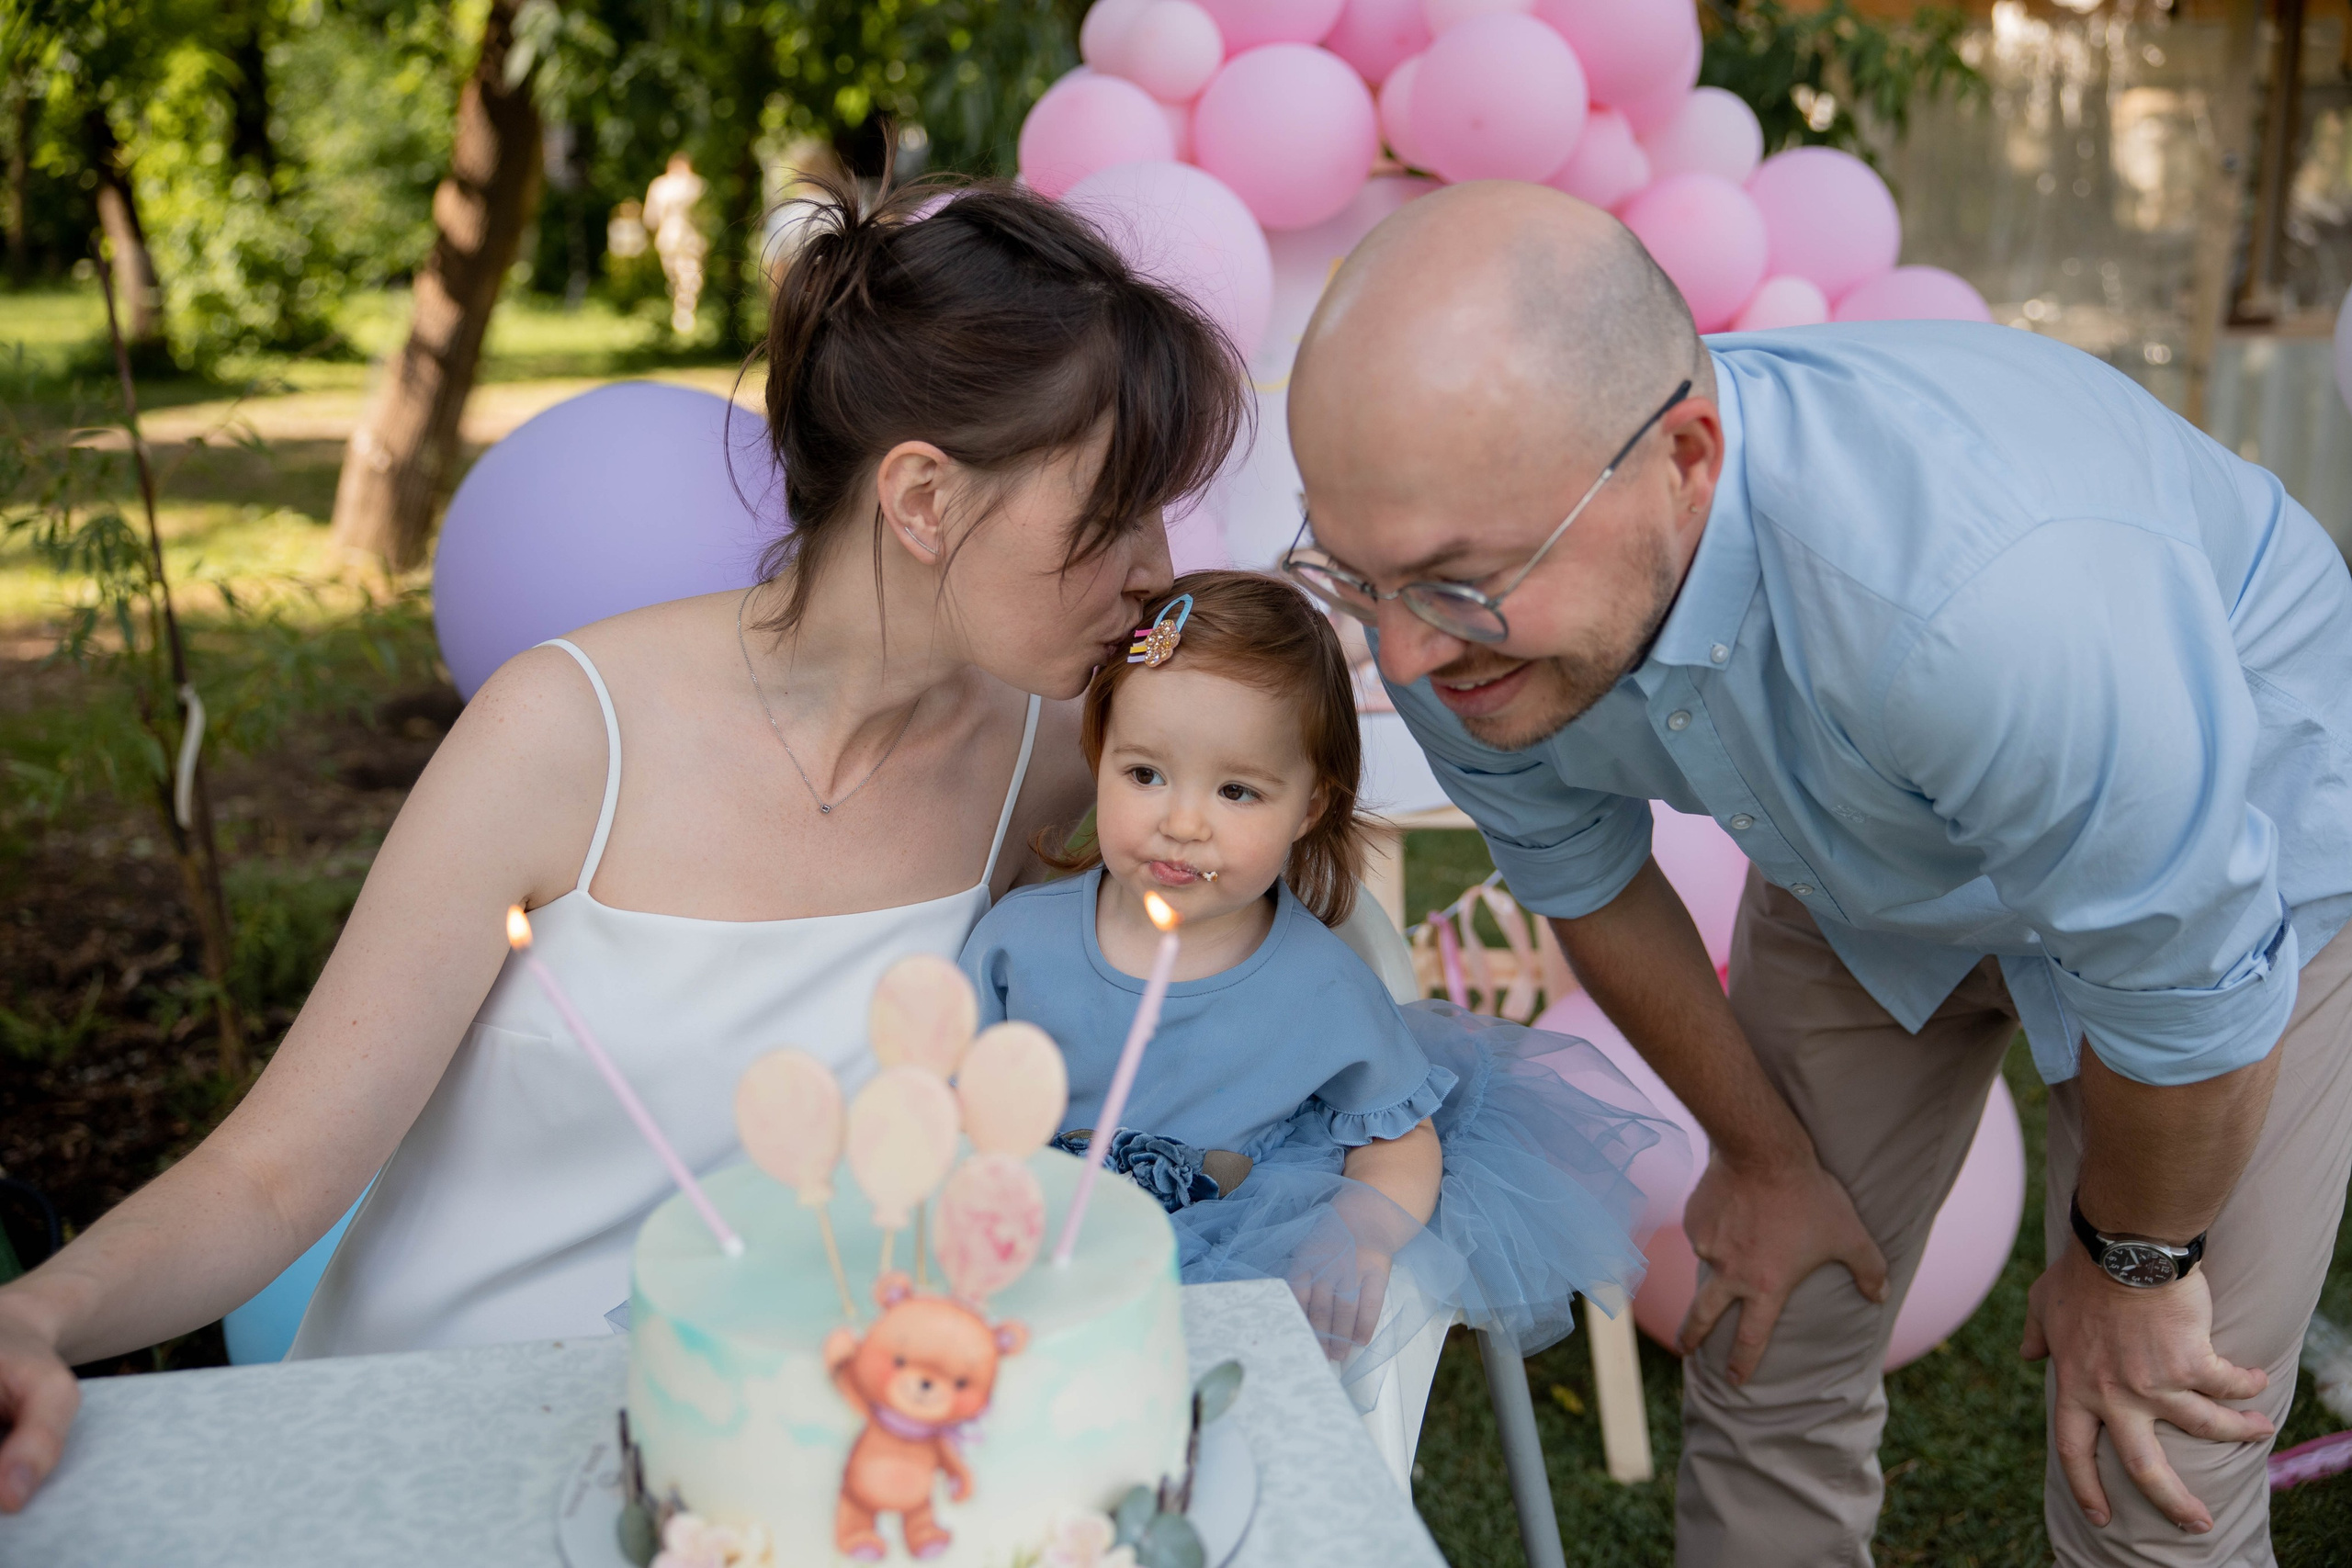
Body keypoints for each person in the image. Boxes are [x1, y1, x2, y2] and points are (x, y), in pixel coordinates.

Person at [0, 174, 1245, 1513]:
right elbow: (274, 1167)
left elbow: (1264, 848)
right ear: (925, 501)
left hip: (764, 1469)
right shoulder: (564, 732)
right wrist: (40, 1314)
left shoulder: (1052, 755)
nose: (1154, 567)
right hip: (437, 1439)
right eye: (1113, 513)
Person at [1283, 181, 2352, 1566]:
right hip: (1863, 855)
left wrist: (2134, 1261)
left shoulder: (1987, 602)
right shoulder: (1433, 611)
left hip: (2230, 853)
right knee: (1763, 1341)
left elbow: (2189, 984)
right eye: (1358, 577)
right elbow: (1585, 878)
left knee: (2158, 1459)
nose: (1410, 662)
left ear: (1685, 456)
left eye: (1459, 581)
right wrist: (1763, 1155)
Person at [958, 570, 1681, 1417]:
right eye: (1146, 773)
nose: (1182, 821)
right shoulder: (1020, 943)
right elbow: (952, 1104)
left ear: (1309, 806)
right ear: (1098, 756)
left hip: (1226, 1268)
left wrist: (1362, 1231)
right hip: (1030, 1264)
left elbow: (1399, 1139)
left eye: (1237, 790)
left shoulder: (1322, 987)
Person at [644, 152, 708, 334]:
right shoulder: (698, 184)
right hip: (690, 240)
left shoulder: (659, 186)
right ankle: (683, 318)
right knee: (689, 278)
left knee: (678, 278)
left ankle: (681, 318)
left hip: (669, 239)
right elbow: (707, 217)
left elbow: (650, 219)